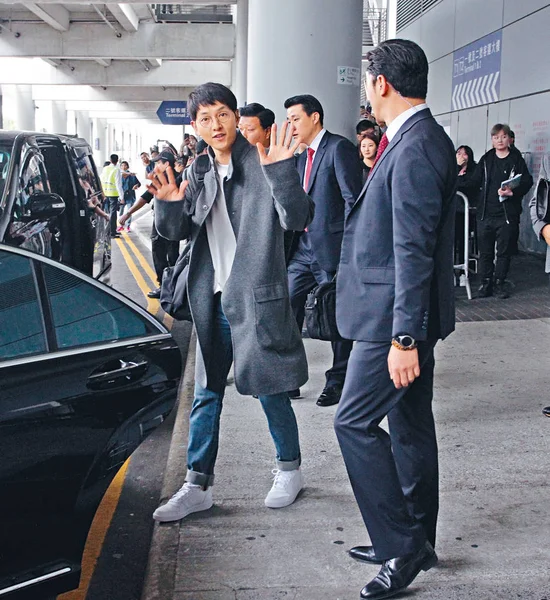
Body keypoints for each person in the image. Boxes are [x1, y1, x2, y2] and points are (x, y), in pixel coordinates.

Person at [147, 82, 314, 523]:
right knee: (205, 395)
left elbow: (297, 218)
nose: (215, 125)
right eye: (204, 118)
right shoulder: (199, 169)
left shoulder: (263, 160)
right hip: (211, 299)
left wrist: (282, 173)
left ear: (234, 115)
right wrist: (168, 206)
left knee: (269, 388)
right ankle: (197, 484)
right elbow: (178, 231)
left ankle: (289, 470)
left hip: (256, 298)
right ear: (195, 126)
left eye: (221, 113)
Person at [334, 39, 457, 600]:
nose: (366, 90)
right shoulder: (414, 138)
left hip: (393, 321)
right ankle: (417, 539)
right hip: (395, 314)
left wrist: (404, 336)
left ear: (381, 83)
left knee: (353, 423)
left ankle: (401, 545)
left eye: (366, 81)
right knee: (408, 425)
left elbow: (413, 249)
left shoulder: (413, 146)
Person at [284, 94, 362, 406]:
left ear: (314, 117)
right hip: (302, 249)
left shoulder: (338, 148)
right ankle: (290, 376)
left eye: (295, 119)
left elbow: (352, 200)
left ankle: (339, 380)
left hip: (331, 249)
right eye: (288, 120)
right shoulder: (301, 157)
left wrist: (348, 248)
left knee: (335, 315)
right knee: (288, 304)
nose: (290, 125)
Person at [473, 124, 533, 299]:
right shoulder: (485, 160)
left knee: (504, 251)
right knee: (485, 251)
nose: (500, 140)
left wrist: (513, 192)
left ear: (510, 139)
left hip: (507, 214)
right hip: (485, 214)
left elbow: (527, 182)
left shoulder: (516, 160)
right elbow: (474, 181)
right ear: (492, 141)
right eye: (496, 137)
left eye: (503, 136)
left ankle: (499, 282)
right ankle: (485, 283)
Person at [118, 150, 180, 298]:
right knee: (173, 256)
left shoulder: (163, 180)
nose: (156, 165)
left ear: (166, 164)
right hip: (175, 224)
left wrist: (128, 213)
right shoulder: (179, 177)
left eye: (158, 163)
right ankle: (174, 287)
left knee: (160, 255)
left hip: (163, 224)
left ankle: (165, 287)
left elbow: (145, 198)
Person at [455, 145, 478, 269]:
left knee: (462, 235)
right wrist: (457, 167)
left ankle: (464, 268)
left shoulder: (474, 171)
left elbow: (469, 185)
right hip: (453, 210)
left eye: (464, 154)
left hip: (467, 211)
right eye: (458, 153)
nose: (461, 157)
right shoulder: (452, 170)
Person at [100, 154, 124, 238]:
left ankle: (110, 231)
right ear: (117, 161)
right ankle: (111, 232)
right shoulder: (116, 170)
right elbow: (118, 184)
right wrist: (122, 197)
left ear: (110, 160)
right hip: (113, 195)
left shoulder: (105, 169)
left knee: (107, 213)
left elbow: (101, 180)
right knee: (113, 214)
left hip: (105, 194)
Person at [117, 161, 140, 233]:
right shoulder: (119, 175)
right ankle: (121, 225)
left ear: (127, 167)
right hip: (122, 196)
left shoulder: (132, 175)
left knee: (129, 211)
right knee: (121, 211)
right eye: (122, 166)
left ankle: (128, 226)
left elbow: (138, 183)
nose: (123, 167)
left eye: (125, 165)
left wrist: (136, 185)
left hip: (130, 195)